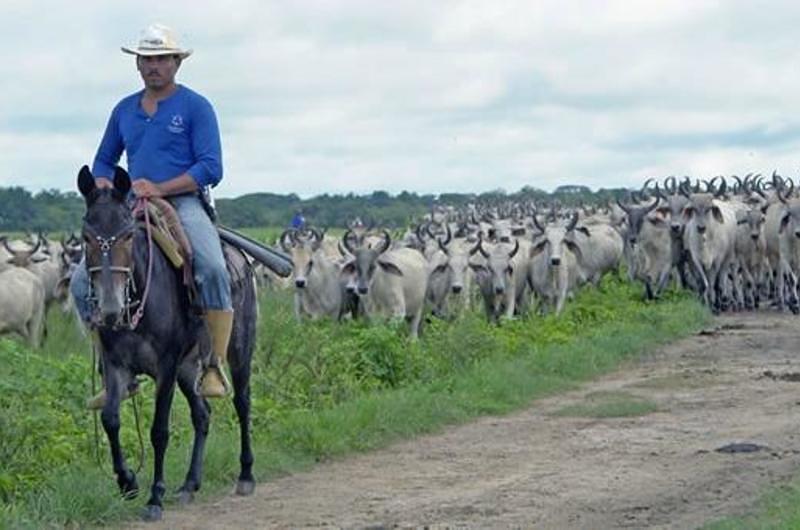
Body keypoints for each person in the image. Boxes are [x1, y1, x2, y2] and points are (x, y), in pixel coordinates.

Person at [71, 23, 233, 408]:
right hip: (131, 206)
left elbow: (211, 167)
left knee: (212, 267)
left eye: (161, 58)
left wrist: (161, 188)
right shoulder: (124, 109)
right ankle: (112, 370)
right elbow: (104, 160)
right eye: (146, 59)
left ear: (177, 63)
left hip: (183, 202)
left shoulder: (196, 106)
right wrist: (105, 191)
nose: (153, 66)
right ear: (137, 64)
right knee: (80, 283)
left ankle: (213, 364)